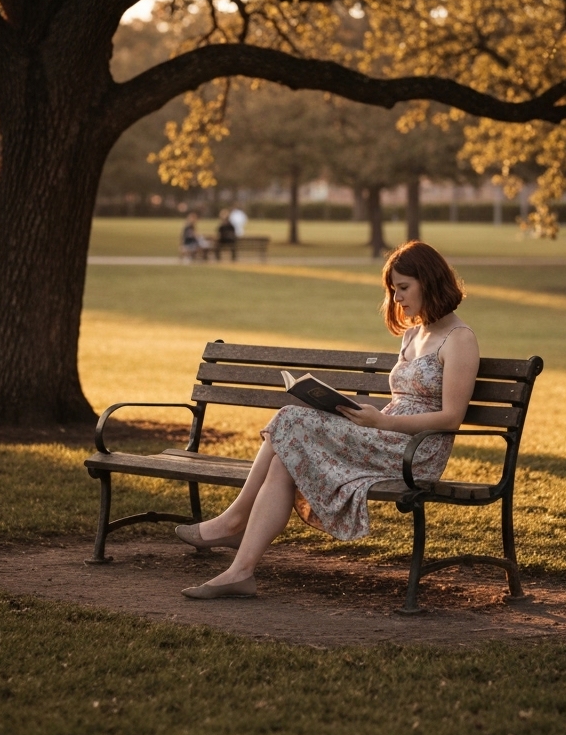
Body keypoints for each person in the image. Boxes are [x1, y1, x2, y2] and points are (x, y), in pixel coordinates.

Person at [175, 240, 480, 598]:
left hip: (415, 452)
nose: (397, 299)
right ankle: (240, 572)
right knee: (283, 461)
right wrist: (356, 415)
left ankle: (233, 521)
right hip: (383, 435)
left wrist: (380, 424)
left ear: (429, 281)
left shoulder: (460, 339)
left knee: (289, 418)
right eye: (393, 290)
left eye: (404, 288)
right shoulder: (413, 334)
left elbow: (450, 418)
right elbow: (401, 401)